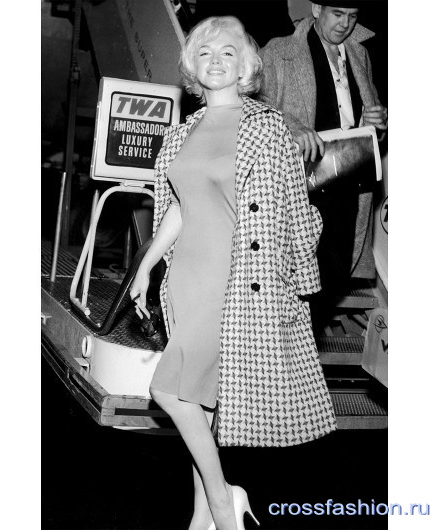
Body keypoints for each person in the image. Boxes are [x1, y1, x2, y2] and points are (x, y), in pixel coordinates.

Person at [130, 16, 336, 530]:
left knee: (168, 392)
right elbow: (180, 206)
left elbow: (297, 211)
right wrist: (146, 265)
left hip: (239, 280)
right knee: (198, 398)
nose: (216, 60)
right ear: (192, 66)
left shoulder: (268, 127)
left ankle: (224, 499)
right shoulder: (182, 133)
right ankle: (203, 512)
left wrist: (300, 286)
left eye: (228, 52)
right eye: (205, 52)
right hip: (187, 278)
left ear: (245, 65)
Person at [259, 0, 388, 330]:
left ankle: (302, 351)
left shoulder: (360, 55)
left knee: (331, 280)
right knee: (291, 285)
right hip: (299, 193)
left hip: (349, 190)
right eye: (338, 14)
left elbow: (367, 129)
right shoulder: (278, 51)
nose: (345, 24)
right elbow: (256, 109)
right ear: (317, 9)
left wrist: (375, 125)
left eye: (353, 16)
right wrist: (293, 127)